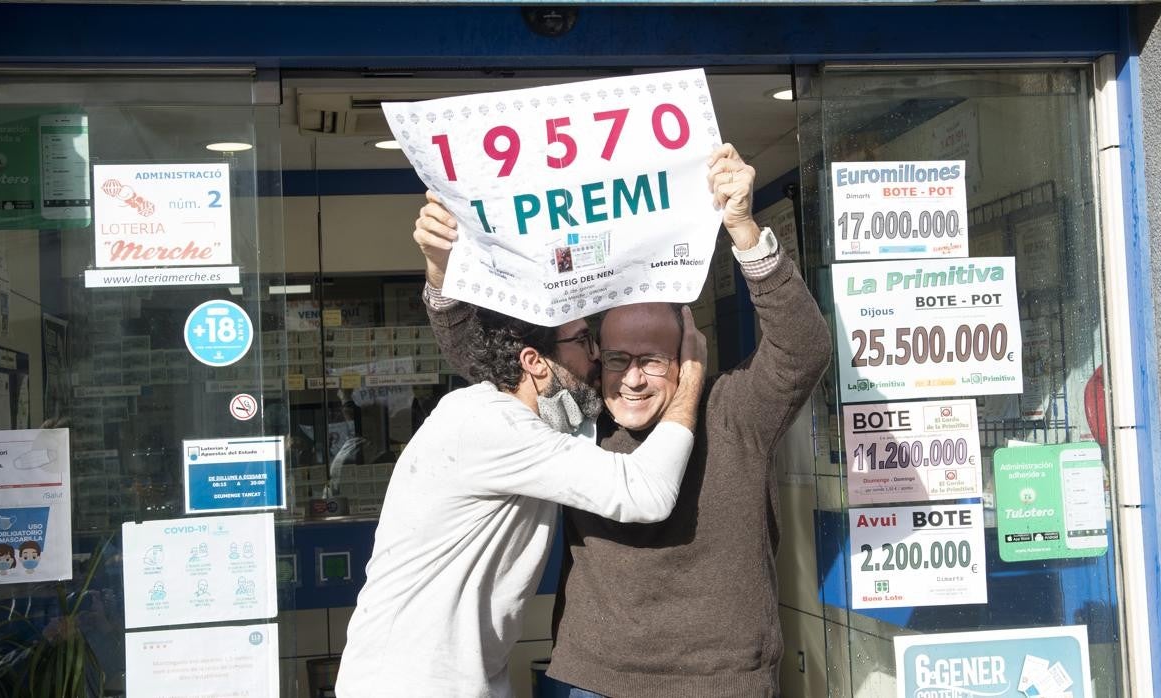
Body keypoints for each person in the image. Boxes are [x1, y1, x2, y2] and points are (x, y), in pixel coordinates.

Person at [418, 143, 832, 697]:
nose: (632, 379)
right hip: (592, 679)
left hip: (721, 682)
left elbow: (803, 349)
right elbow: (484, 358)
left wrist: (744, 230)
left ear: (688, 353)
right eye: (617, 360)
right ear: (596, 359)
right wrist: (441, 270)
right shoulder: (578, 416)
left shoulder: (733, 410)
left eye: (652, 361)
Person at [335, 248, 709, 696]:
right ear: (533, 361)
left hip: (460, 679)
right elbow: (645, 492)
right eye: (582, 341)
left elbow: (479, 349)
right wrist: (689, 378)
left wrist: (441, 281)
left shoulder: (533, 419)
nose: (595, 358)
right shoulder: (488, 425)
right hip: (410, 683)